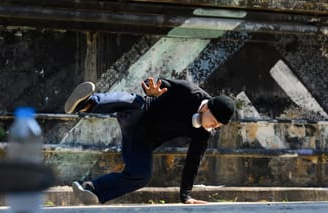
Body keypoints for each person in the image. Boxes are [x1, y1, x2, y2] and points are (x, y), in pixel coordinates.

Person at [65, 77, 235, 205]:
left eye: (218, 125)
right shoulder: (189, 91)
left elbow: (193, 161)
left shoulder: (203, 133)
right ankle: (87, 103)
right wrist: (151, 92)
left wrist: (186, 196)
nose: (214, 126)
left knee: (141, 175)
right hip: (138, 115)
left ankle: (91, 189)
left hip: (143, 139)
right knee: (135, 102)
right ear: (205, 107)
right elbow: (155, 83)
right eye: (213, 121)